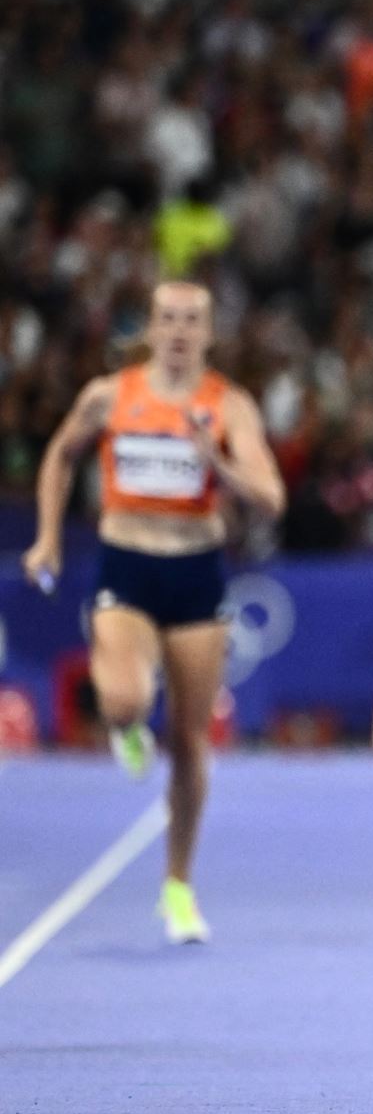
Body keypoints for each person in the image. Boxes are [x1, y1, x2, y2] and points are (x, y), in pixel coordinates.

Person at [21, 280, 286, 944]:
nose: (177, 331)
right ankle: (127, 724)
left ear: (208, 333)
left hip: (196, 574)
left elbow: (272, 498)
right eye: (167, 318)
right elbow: (58, 454)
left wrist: (215, 463)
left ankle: (177, 886)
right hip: (126, 564)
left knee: (192, 741)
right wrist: (48, 536)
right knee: (123, 702)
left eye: (191, 320)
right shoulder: (111, 396)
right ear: (150, 327)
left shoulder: (229, 405)